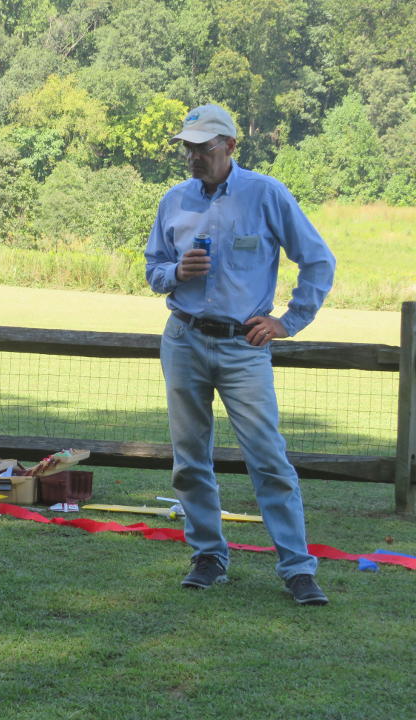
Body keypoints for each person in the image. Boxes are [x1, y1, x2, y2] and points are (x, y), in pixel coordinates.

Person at [144, 104, 336, 605]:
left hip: (243, 346)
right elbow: (153, 267)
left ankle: (297, 567)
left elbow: (317, 260)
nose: (194, 158)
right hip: (183, 339)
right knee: (189, 459)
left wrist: (287, 321)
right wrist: (175, 273)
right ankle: (208, 556)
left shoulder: (266, 193)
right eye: (188, 148)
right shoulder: (174, 201)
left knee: (268, 459)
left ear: (230, 146)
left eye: (204, 148)